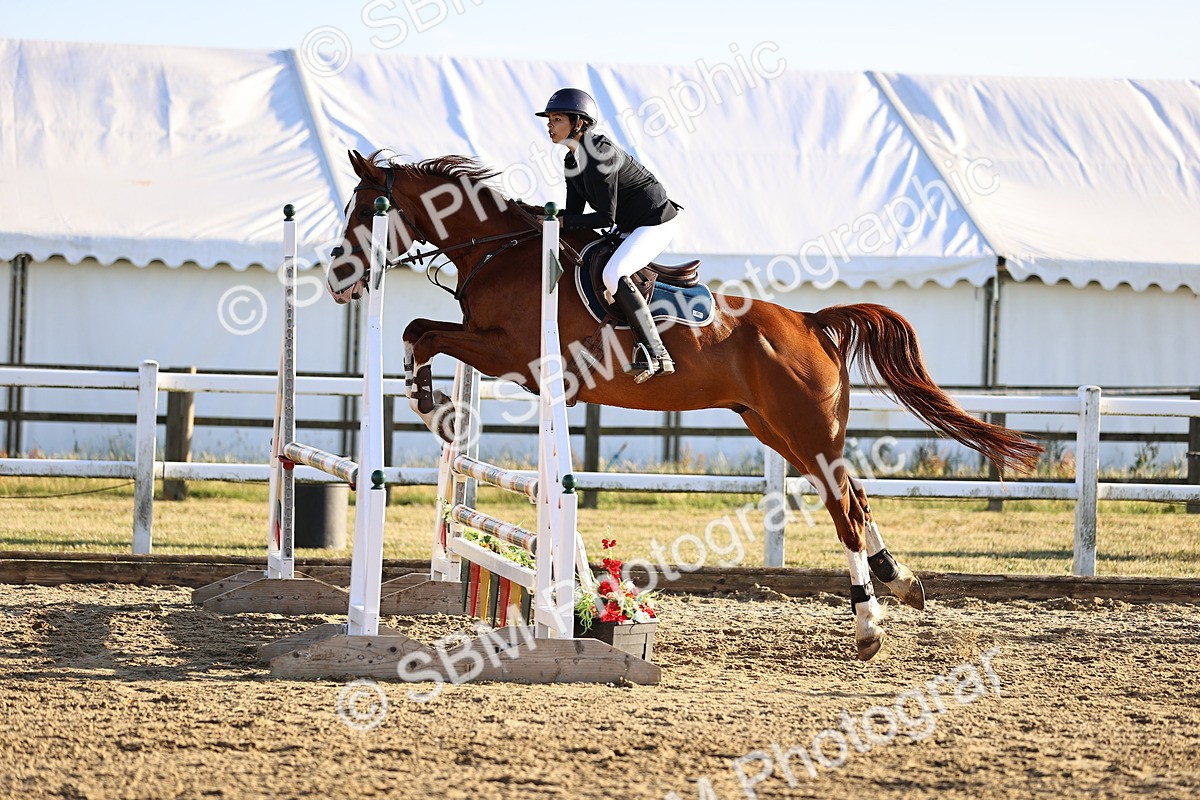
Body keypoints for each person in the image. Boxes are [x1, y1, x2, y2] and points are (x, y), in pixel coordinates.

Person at [536, 88, 681, 382]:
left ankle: (657, 352)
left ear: (580, 123)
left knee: (614, 273)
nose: (549, 125)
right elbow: (574, 212)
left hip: (655, 223)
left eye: (557, 118)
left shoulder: (599, 154)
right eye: (549, 119)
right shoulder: (572, 160)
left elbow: (604, 217)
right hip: (628, 225)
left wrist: (562, 223)